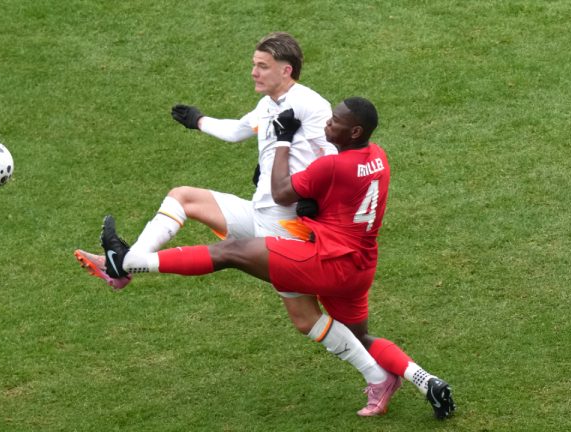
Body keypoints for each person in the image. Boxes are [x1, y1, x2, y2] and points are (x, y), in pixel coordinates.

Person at [76, 97, 456, 419]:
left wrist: (283, 142)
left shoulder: (334, 165)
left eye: (336, 121)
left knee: (232, 253)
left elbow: (281, 191)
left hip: (327, 261)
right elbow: (343, 202)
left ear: (354, 131)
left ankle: (126, 263)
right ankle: (426, 380)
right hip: (360, 267)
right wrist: (314, 206)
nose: (328, 123)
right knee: (359, 338)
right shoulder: (378, 158)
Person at [74, 31, 335, 290]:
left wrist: (318, 199)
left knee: (303, 310)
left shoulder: (311, 105)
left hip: (288, 224)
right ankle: (123, 264)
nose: (254, 72)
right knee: (182, 197)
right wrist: (198, 121)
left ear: (286, 70)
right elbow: (237, 131)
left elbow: (333, 155)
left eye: (262, 66)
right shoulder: (267, 105)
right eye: (254, 64)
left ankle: (123, 265)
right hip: (260, 211)